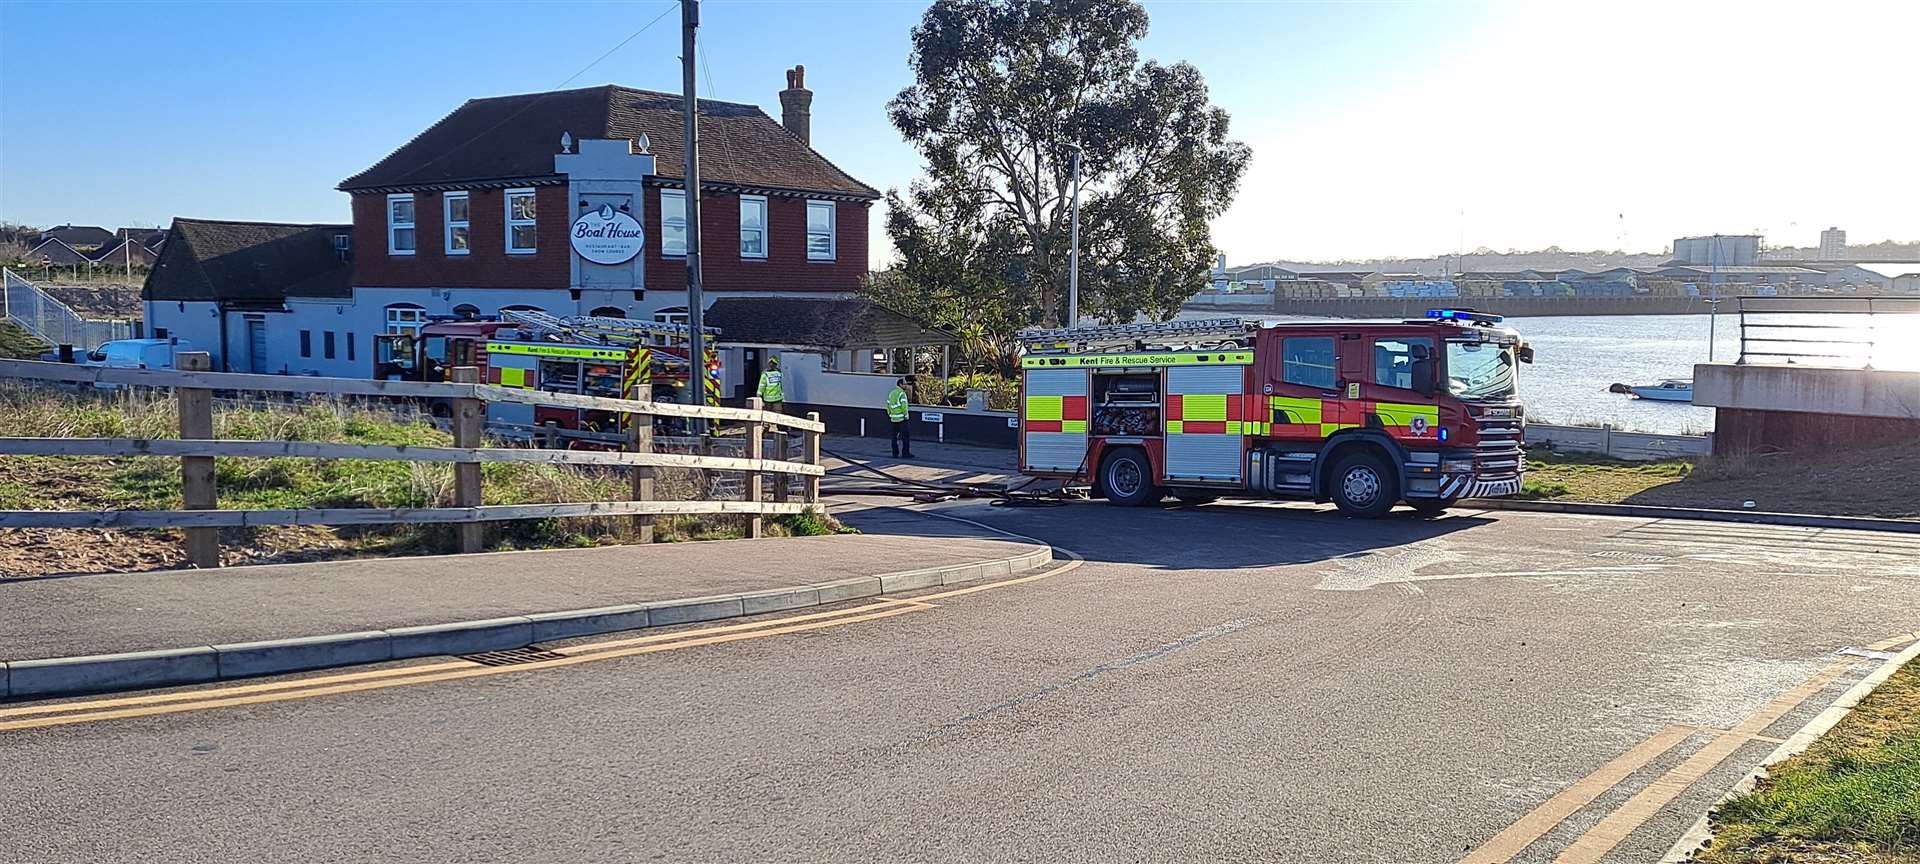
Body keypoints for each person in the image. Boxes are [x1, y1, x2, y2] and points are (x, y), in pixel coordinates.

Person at [887, 375, 914, 458]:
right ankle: (905, 453)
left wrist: (890, 414)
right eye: (905, 384)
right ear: (900, 385)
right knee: (905, 437)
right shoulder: (902, 394)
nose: (906, 385)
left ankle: (895, 453)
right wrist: (906, 416)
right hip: (902, 419)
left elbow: (888, 405)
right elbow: (904, 406)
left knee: (894, 437)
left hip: (893, 419)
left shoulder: (892, 393)